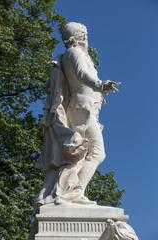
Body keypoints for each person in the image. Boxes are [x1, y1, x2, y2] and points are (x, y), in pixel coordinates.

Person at [36, 22, 120, 205]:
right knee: (95, 152)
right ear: (78, 36)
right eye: (84, 34)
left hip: (85, 108)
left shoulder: (74, 54)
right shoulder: (75, 53)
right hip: (82, 107)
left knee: (82, 153)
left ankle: (72, 191)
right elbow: (81, 74)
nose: (86, 37)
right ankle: (74, 192)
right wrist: (100, 84)